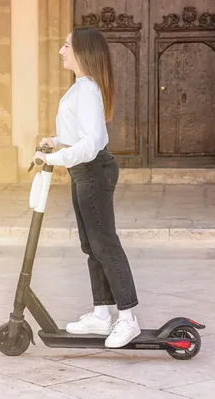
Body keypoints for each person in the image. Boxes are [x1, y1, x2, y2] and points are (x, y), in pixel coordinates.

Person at [33, 27, 140, 348]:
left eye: (66, 45)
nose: (61, 50)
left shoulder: (88, 90)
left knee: (105, 244)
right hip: (83, 172)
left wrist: (59, 156)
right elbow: (80, 134)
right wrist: (56, 142)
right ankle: (101, 313)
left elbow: (93, 143)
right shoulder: (80, 88)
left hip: (93, 170)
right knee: (91, 245)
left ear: (81, 52)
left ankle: (128, 318)